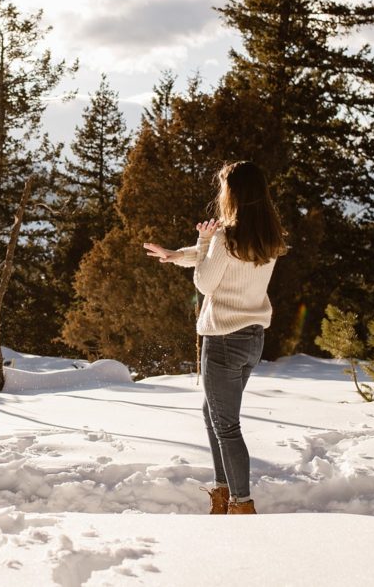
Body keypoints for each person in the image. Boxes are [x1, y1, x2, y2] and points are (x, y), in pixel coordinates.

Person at [143, 160, 286, 515]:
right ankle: (223, 492)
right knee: (214, 413)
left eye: (224, 187)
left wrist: (203, 239)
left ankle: (241, 503)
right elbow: (219, 261)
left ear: (234, 192)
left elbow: (206, 281)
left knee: (226, 424)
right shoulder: (265, 237)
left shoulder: (224, 237)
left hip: (223, 338)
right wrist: (178, 255)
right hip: (252, 339)